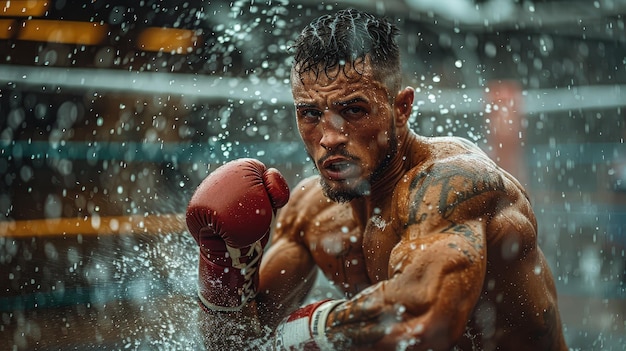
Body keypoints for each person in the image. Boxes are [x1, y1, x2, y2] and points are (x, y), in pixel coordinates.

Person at [185, 8, 568, 351]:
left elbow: (426, 326)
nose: (330, 136)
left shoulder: (454, 185)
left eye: (353, 110)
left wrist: (307, 331)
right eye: (310, 113)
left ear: (401, 108)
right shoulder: (311, 211)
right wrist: (222, 271)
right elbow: (235, 342)